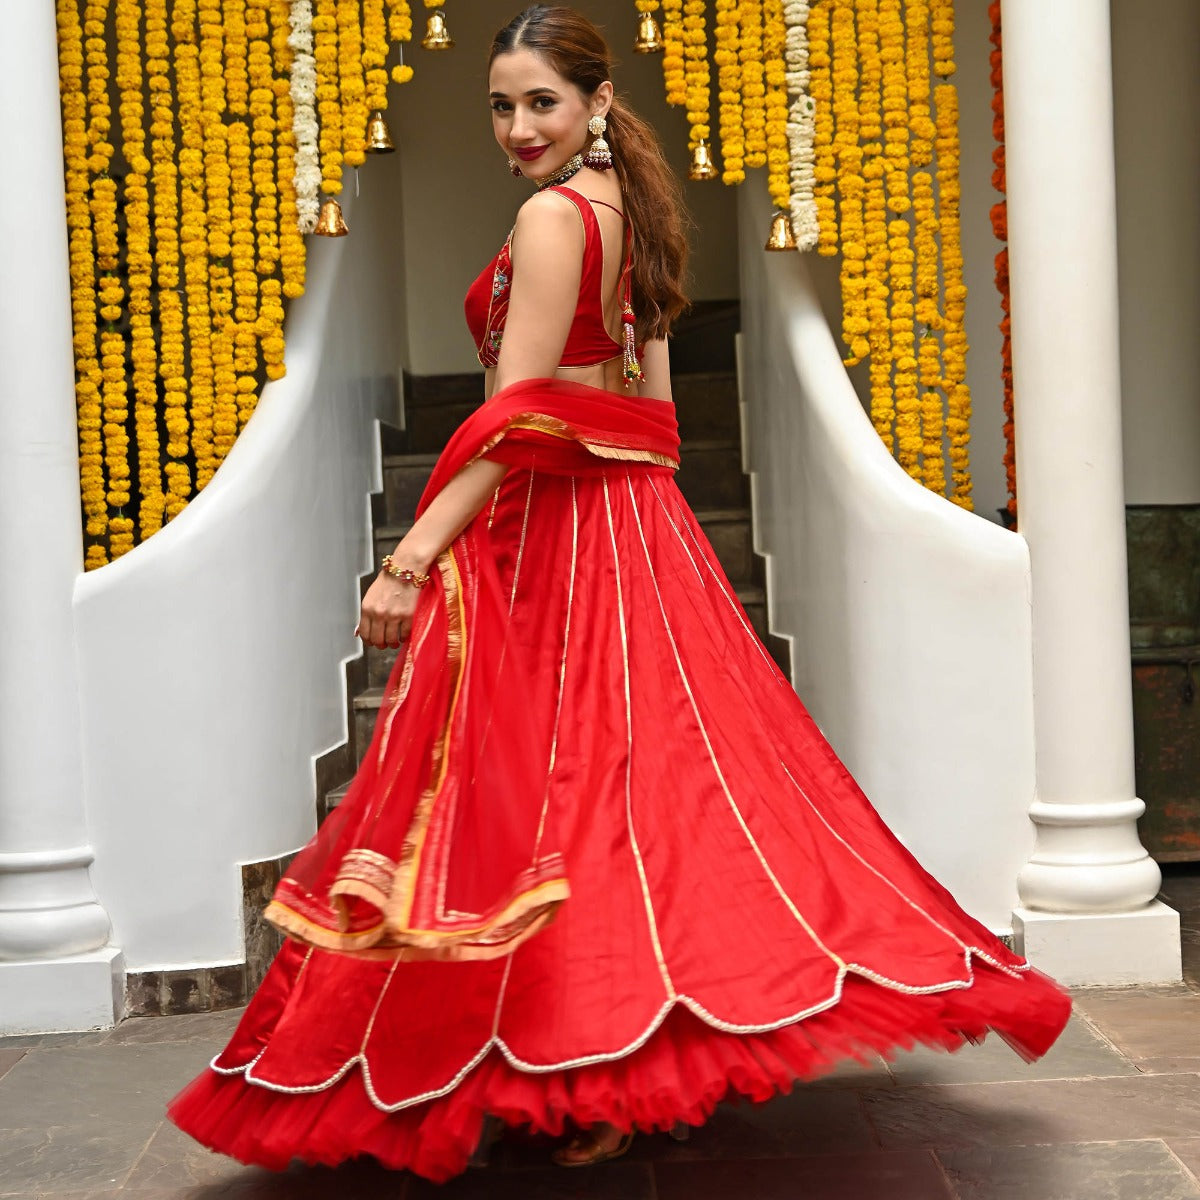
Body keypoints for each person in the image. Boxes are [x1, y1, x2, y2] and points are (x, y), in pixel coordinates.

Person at [168, 4, 1073, 1181]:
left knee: (572, 801)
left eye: (540, 100)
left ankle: (602, 1066)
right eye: (501, 104)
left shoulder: (554, 219)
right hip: (636, 525)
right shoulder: (628, 210)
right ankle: (619, 1061)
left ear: (596, 103)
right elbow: (648, 411)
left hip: (568, 534)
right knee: (635, 806)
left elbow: (519, 410)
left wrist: (412, 554)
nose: (517, 127)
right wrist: (619, 482)